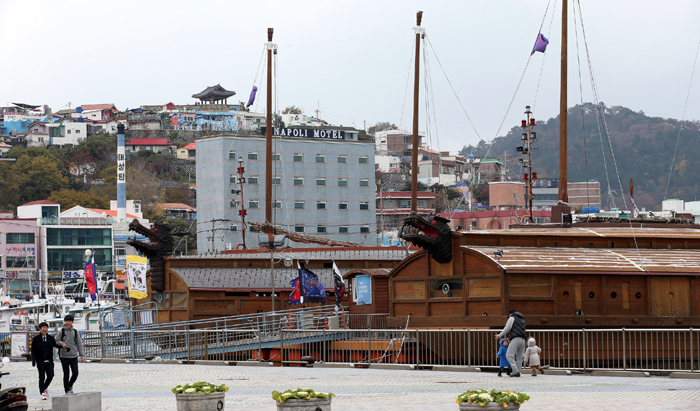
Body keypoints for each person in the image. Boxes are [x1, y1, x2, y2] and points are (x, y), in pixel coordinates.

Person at [55, 315, 85, 395]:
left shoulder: (75, 332)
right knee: (66, 373)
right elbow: (56, 341)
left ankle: (70, 385)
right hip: (64, 356)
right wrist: (62, 344)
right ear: (65, 322)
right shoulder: (61, 331)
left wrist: (82, 355)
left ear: (72, 322)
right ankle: (67, 390)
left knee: (75, 373)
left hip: (73, 356)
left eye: (70, 321)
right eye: (67, 321)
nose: (68, 323)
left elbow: (79, 343)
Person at [31, 322, 60, 400]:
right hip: (40, 360)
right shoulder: (36, 339)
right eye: (43, 327)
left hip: (49, 360)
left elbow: (56, 345)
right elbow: (33, 350)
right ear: (40, 329)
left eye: (46, 327)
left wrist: (63, 346)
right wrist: (33, 360)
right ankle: (42, 393)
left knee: (50, 375)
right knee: (42, 377)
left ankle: (44, 387)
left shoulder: (50, 338)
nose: (45, 329)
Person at [494, 310, 527, 377]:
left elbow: (507, 328)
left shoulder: (512, 318)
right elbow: (518, 330)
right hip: (523, 339)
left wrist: (499, 335)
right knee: (519, 357)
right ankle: (518, 371)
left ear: (510, 314)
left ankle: (515, 371)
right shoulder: (522, 320)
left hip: (515, 339)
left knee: (509, 355)